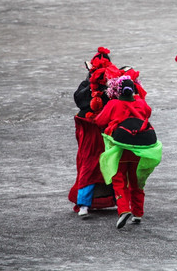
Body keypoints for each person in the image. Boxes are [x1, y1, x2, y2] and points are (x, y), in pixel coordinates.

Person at [96, 76, 162, 229]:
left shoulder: (113, 104)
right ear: (133, 90)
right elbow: (148, 113)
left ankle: (124, 209)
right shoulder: (141, 103)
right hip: (139, 150)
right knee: (136, 181)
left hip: (120, 150)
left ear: (117, 90)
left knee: (119, 180)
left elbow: (100, 121)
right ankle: (138, 213)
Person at [69, 47, 122, 218]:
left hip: (105, 130)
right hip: (93, 131)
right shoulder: (89, 86)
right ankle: (87, 202)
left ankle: (119, 201)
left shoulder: (113, 85)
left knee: (110, 164)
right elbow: (81, 101)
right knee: (97, 165)